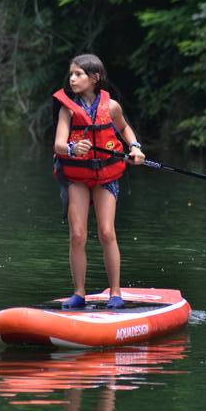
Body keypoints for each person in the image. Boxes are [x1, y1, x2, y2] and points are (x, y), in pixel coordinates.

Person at [53, 53, 145, 309]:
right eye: (71, 74)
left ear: (95, 78)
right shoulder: (67, 109)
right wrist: (72, 149)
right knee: (77, 235)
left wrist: (135, 148)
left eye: (78, 74)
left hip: (106, 176)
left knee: (106, 232)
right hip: (77, 177)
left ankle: (115, 293)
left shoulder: (112, 106)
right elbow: (59, 144)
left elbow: (125, 128)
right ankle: (79, 293)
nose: (72, 79)